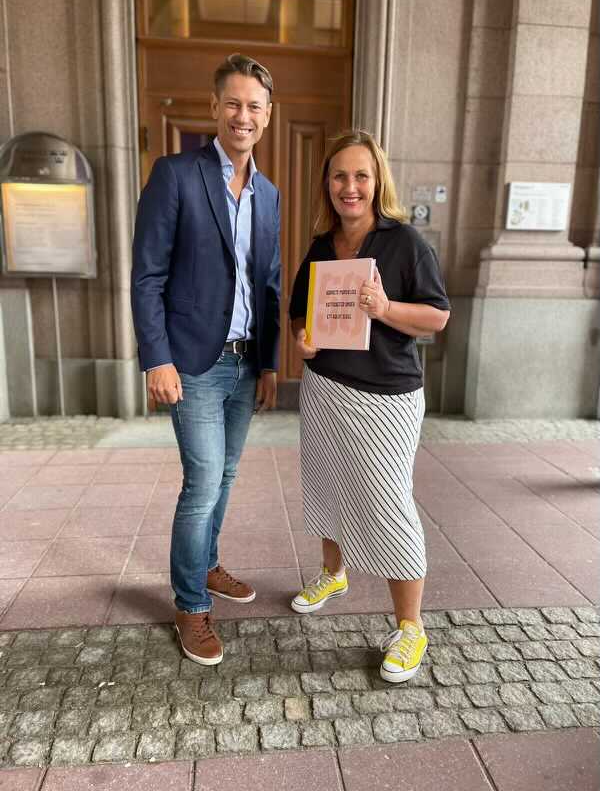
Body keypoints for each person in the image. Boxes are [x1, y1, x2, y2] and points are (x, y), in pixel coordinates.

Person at [131, 54, 280, 666]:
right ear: (215, 107)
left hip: (246, 363)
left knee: (226, 475)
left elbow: (268, 284)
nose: (243, 115)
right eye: (234, 103)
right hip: (193, 361)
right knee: (201, 482)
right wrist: (156, 359)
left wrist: (269, 364)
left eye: (255, 106)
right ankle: (190, 604)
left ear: (267, 116)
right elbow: (147, 275)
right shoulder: (175, 175)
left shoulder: (268, 194)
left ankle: (207, 563)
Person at [289, 130, 450, 683]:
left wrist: (384, 308)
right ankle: (333, 573)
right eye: (339, 176)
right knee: (326, 485)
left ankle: (410, 627)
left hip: (386, 397)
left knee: (388, 505)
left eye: (361, 175)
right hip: (325, 388)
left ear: (378, 181)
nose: (350, 186)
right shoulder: (321, 245)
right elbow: (299, 314)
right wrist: (302, 339)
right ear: (327, 184)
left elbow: (437, 316)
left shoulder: (406, 243)